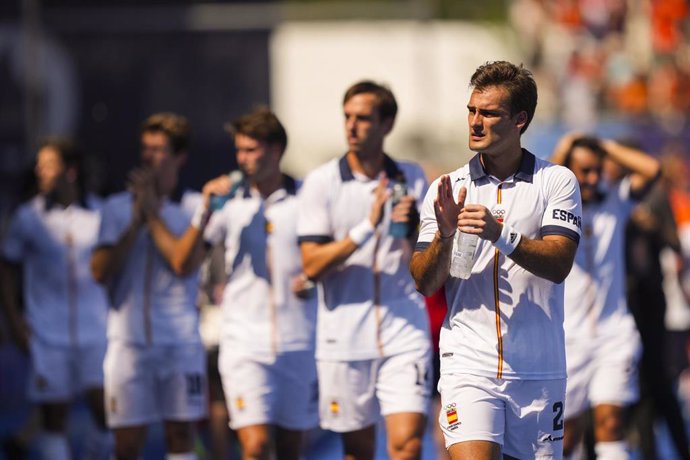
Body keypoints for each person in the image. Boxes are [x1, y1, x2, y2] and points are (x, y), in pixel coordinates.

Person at [410, 61, 583, 460]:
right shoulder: (446, 188)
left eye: (489, 113)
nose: (475, 122)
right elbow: (424, 281)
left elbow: (559, 264)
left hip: (539, 369)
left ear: (520, 120)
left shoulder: (555, 181)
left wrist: (500, 233)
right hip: (468, 363)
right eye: (471, 111)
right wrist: (446, 234)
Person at [141, 107, 319, 460]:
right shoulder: (227, 202)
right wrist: (205, 210)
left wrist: (313, 277)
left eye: (251, 150)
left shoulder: (308, 196)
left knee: (290, 450)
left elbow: (328, 258)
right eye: (239, 150)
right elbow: (181, 263)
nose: (243, 159)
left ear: (276, 150)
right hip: (243, 345)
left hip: (299, 343)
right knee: (254, 447)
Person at [297, 81, 432, 460]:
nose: (351, 127)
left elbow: (427, 253)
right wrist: (364, 228)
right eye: (347, 117)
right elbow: (311, 264)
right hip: (343, 338)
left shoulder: (412, 176)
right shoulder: (322, 183)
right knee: (357, 451)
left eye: (363, 118)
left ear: (386, 124)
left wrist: (414, 226)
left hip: (404, 330)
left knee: (407, 445)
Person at [91, 113, 207, 460]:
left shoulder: (195, 209)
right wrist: (134, 224)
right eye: (145, 148)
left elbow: (182, 264)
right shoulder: (113, 209)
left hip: (180, 342)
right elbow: (99, 271)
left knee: (180, 437)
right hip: (128, 345)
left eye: (158, 150)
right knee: (126, 445)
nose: (147, 156)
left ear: (179, 157)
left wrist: (151, 216)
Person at [550, 134, 661, 459]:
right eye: (584, 171)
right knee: (565, 436)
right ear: (568, 172)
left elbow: (652, 169)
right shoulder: (553, 205)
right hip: (568, 340)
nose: (593, 178)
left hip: (614, 335)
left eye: (598, 170)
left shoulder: (616, 200)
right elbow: (540, 182)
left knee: (611, 424)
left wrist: (603, 146)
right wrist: (567, 144)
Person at [0, 138, 111, 459]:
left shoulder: (100, 214)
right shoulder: (27, 218)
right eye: (39, 164)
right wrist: (15, 320)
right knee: (53, 419)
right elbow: (5, 269)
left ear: (70, 171)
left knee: (105, 413)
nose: (40, 170)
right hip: (47, 333)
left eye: (49, 164)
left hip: (96, 331)